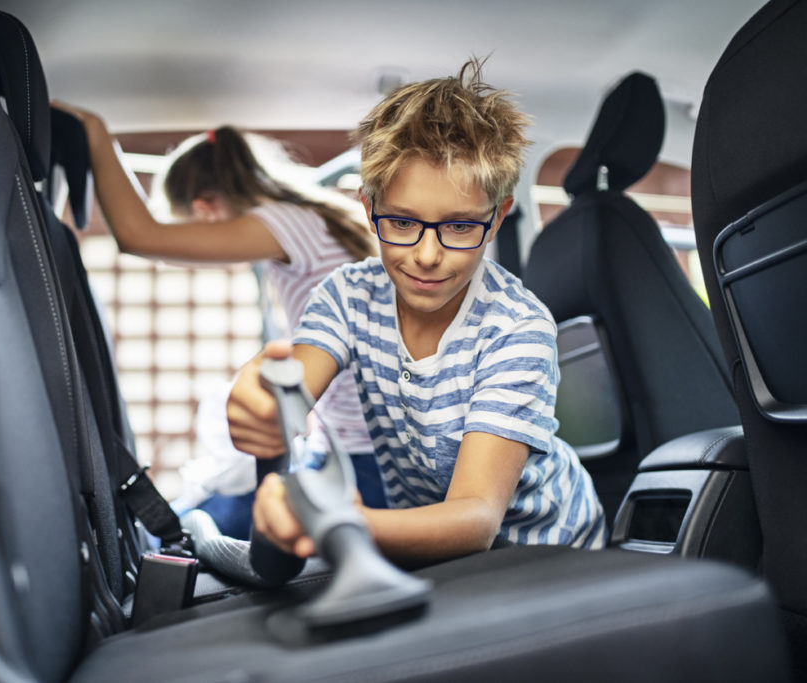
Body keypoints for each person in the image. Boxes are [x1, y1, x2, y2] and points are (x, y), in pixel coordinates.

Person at [226, 58, 609, 567]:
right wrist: (264, 406)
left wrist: (340, 519)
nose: (427, 256)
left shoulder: (516, 327)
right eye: (402, 223)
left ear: (497, 219)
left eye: (458, 227)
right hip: (445, 558)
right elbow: (293, 386)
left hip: (549, 553)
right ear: (368, 209)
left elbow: (475, 518)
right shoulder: (346, 296)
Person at [51, 103, 385, 537]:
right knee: (196, 514)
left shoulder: (283, 222)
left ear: (206, 207)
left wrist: (95, 134)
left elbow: (140, 235)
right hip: (359, 444)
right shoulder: (319, 219)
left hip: (361, 456)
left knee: (186, 528)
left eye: (195, 224)